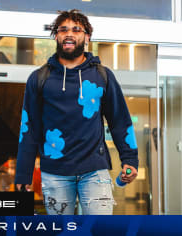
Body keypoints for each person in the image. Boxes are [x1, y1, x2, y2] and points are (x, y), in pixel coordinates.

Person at [15, 9, 138, 215]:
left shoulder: (102, 76)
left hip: (95, 171)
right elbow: (29, 129)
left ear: (87, 37)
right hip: (54, 174)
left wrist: (130, 159)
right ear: (56, 36)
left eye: (76, 29)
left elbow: (120, 121)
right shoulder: (39, 78)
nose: (69, 34)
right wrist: (23, 174)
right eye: (63, 30)